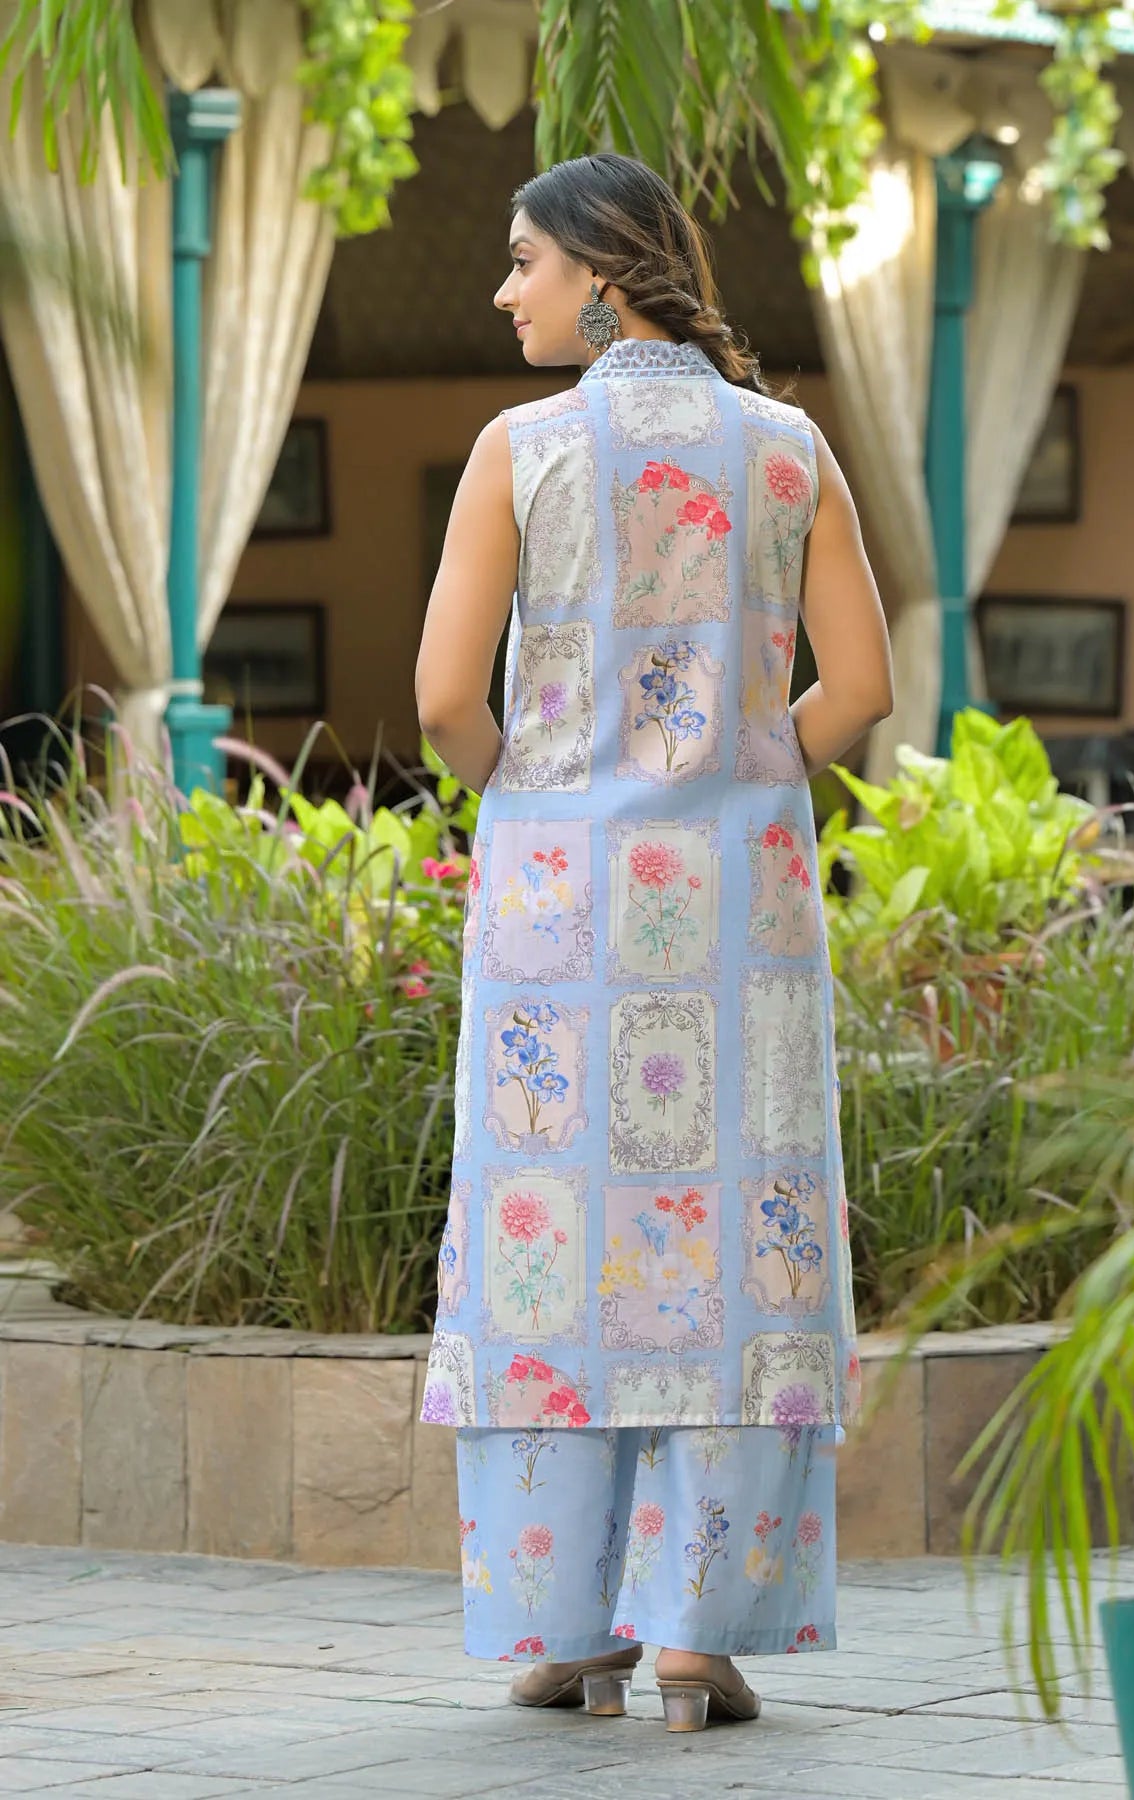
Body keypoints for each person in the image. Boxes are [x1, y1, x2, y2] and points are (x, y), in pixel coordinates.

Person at [414, 151, 893, 1732]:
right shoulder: (788, 447)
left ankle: (570, 1635)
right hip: (738, 918)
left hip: (561, 919)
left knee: (562, 1254)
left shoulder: (522, 450)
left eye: (524, 263)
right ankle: (700, 1637)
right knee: (734, 1247)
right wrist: (744, 775)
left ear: (603, 274)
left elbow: (440, 703)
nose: (506, 291)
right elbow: (863, 692)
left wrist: (545, 805)